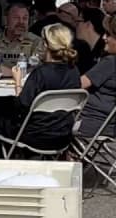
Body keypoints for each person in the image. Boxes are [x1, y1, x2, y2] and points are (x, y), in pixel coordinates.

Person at [5, 23, 82, 153]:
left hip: (35, 135)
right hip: (63, 135)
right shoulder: (73, 71)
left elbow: (21, 105)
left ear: (45, 44)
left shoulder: (41, 73)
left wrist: (17, 81)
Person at [0, 3, 44, 76]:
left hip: (25, 85)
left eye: (25, 18)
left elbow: (39, 73)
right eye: (16, 18)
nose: (21, 22)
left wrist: (11, 73)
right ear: (5, 19)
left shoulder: (37, 42)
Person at [79, 14, 116, 140]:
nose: (104, 37)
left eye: (109, 34)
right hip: (108, 124)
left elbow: (76, 85)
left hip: (89, 122)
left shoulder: (110, 62)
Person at [75, 7, 106, 76]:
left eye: (78, 22)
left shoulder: (105, 51)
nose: (75, 26)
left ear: (88, 24)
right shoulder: (83, 51)